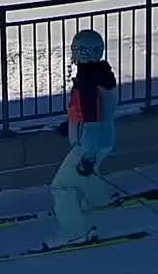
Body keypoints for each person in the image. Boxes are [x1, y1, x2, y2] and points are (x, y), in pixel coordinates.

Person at [49, 29, 119, 248]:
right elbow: (97, 113)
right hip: (104, 139)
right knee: (89, 174)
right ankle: (100, 200)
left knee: (61, 187)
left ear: (81, 52)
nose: (73, 53)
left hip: (89, 144)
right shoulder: (102, 74)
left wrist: (87, 156)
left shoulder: (88, 84)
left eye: (75, 49)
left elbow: (91, 122)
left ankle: (75, 233)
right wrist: (70, 126)